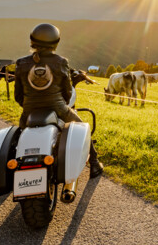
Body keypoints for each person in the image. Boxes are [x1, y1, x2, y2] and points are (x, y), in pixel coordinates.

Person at [14, 23, 103, 177]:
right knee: (83, 127)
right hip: (58, 108)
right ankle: (94, 163)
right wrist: (62, 103)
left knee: (19, 139)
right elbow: (68, 92)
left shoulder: (22, 63)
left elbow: (18, 95)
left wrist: (28, 105)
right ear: (55, 42)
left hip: (29, 111)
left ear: (33, 41)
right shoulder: (61, 62)